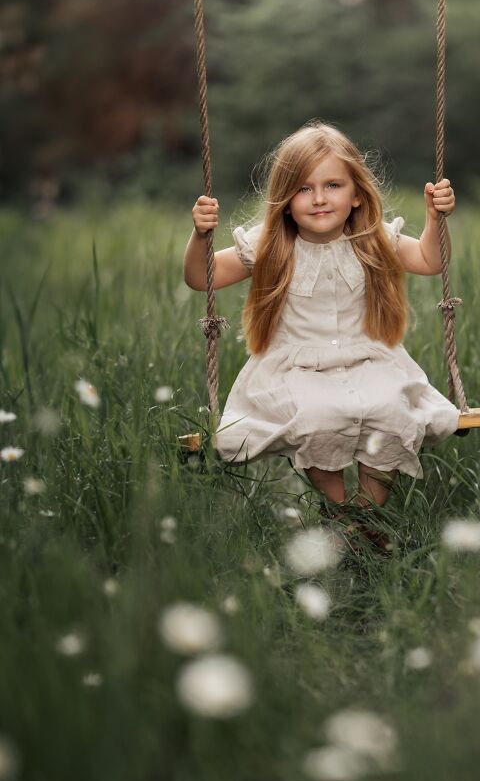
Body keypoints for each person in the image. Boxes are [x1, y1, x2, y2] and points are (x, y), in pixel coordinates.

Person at [183, 120, 460, 554]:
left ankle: (365, 520)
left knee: (390, 412)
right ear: (285, 201)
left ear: (355, 195)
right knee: (316, 418)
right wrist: (201, 235)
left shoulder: (375, 238)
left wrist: (434, 218)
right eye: (303, 188)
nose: (318, 198)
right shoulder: (269, 244)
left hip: (370, 362)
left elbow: (429, 260)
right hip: (297, 369)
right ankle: (343, 515)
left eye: (332, 184)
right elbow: (202, 278)